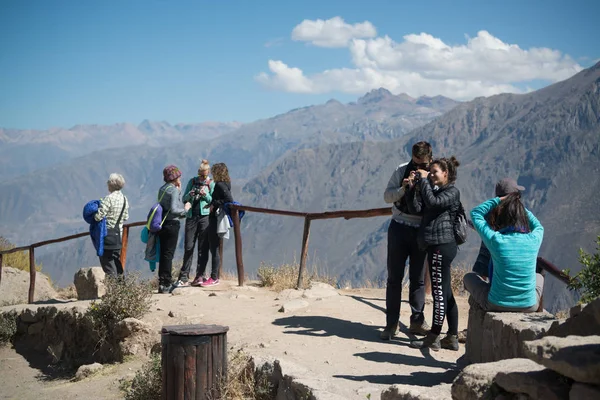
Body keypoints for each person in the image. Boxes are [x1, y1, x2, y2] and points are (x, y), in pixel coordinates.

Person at [407, 157, 462, 351]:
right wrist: (413, 188)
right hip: (435, 245)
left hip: (442, 245)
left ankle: (433, 337)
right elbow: (417, 208)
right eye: (429, 172)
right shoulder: (437, 190)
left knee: (438, 293)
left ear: (446, 174)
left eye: (434, 172)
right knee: (446, 292)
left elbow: (433, 202)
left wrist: (423, 182)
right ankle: (452, 336)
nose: (430, 175)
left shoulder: (452, 192)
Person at [381, 141, 433, 340]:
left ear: (430, 159)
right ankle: (391, 324)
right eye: (415, 163)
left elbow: (440, 199)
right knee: (394, 278)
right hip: (399, 227)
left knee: (418, 279)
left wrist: (428, 181)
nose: (418, 168)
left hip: (421, 229)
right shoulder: (401, 170)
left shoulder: (435, 174)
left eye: (423, 165)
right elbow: (387, 196)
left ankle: (417, 321)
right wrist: (403, 188)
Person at [463, 191, 544, 312]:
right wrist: (519, 207)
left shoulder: (496, 240)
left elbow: (475, 213)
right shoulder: (534, 239)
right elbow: (538, 226)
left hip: (496, 304)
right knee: (539, 277)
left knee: (468, 277)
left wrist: (500, 200)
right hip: (529, 306)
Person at [471, 178, 525, 278]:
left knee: (481, 279)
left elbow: (476, 213)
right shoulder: (516, 215)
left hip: (487, 255)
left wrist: (497, 200)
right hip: (507, 260)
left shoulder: (490, 212)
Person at [173, 160, 215, 288]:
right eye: (201, 175)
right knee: (188, 246)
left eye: (204, 175)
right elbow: (184, 198)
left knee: (203, 247)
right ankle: (184, 276)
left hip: (204, 217)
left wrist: (205, 194)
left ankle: (200, 275)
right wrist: (190, 195)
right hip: (191, 216)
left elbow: (212, 201)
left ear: (208, 173)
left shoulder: (211, 184)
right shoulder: (192, 182)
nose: (202, 178)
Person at [157, 165, 191, 293]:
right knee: (168, 255)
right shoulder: (173, 190)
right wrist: (186, 210)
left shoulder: (163, 189)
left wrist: (179, 190)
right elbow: (174, 209)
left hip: (162, 224)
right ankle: (166, 284)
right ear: (175, 177)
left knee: (163, 254)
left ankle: (162, 283)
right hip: (172, 224)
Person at [199, 162, 233, 287]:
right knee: (214, 247)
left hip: (215, 219)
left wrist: (215, 204)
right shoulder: (227, 183)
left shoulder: (219, 185)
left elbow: (229, 199)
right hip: (215, 217)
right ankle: (213, 276)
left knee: (214, 248)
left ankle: (214, 277)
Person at [94, 173, 129, 276]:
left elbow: (98, 217)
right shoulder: (124, 199)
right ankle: (122, 288)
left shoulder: (108, 199)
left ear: (111, 184)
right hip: (118, 235)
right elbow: (126, 217)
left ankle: (113, 289)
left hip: (107, 235)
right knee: (117, 262)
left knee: (107, 263)